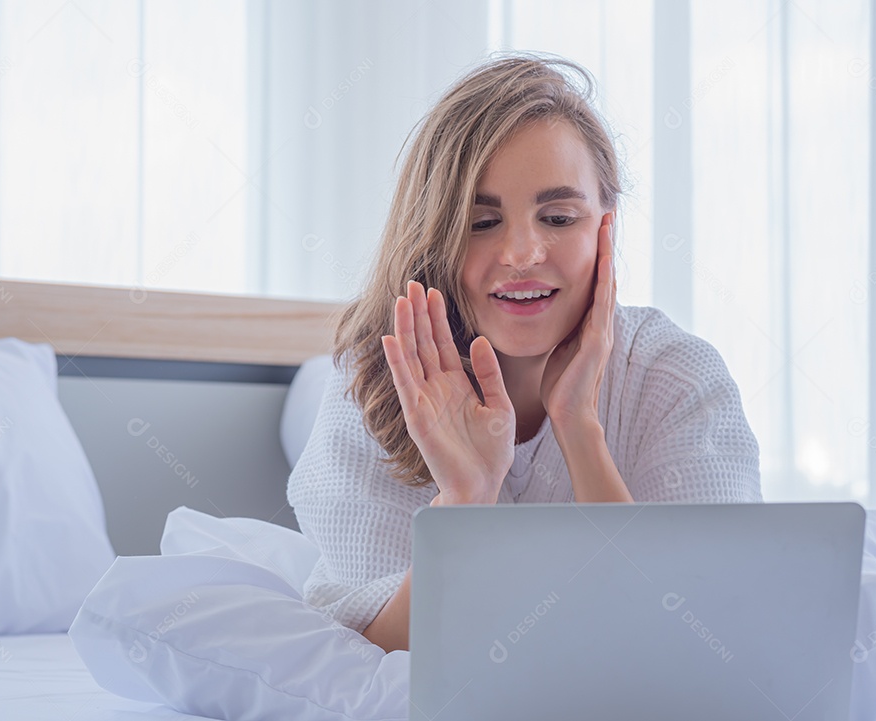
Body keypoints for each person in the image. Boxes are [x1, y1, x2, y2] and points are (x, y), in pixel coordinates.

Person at [286, 52, 762, 654]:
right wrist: (464, 501)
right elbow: (375, 652)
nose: (521, 252)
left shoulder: (674, 377)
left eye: (558, 217)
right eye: (482, 222)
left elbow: (691, 634)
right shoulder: (377, 383)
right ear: (434, 237)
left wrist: (579, 428)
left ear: (604, 230)